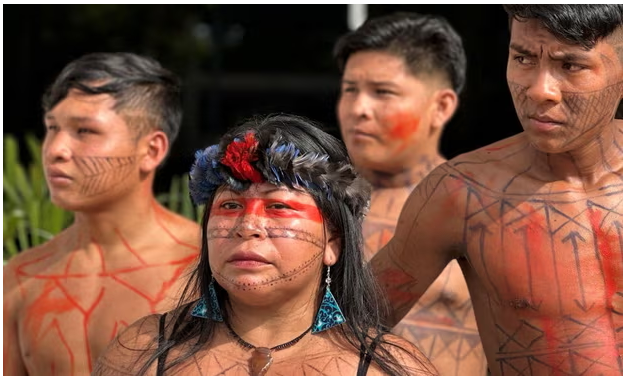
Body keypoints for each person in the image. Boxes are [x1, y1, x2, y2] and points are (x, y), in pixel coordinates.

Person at [370, 5, 623, 376]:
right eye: (523, 58)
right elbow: (341, 327)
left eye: (571, 65)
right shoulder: (460, 193)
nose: (540, 91)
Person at [92, 114, 438, 376]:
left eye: (278, 207)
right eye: (229, 206)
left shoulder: (387, 369)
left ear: (332, 241)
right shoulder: (142, 352)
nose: (248, 226)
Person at [3, 52, 200, 376]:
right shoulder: (23, 276)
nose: (55, 150)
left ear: (151, 150)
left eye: (85, 131)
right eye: (53, 128)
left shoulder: (207, 266)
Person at [335, 12, 486, 375]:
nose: (359, 109)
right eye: (349, 90)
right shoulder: (304, 205)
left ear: (441, 106)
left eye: (382, 92)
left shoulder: (486, 213)